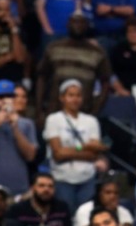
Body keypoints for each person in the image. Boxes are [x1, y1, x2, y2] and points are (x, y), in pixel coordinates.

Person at [43, 79, 108, 213]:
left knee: (85, 216)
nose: (75, 99)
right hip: (62, 178)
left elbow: (94, 154)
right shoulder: (53, 119)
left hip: (87, 178)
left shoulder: (91, 121)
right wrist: (84, 147)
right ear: (62, 98)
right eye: (71, 95)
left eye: (78, 95)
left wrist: (70, 150)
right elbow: (58, 154)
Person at [5, 173, 72, 226]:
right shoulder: (18, 210)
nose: (46, 189)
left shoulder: (62, 208)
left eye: (50, 186)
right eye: (41, 186)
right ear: (32, 188)